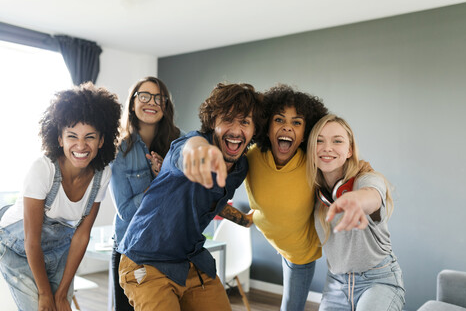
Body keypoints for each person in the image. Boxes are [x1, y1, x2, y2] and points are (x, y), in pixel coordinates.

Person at [117, 82, 264, 310]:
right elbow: (188, 150)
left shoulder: (241, 166)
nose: (236, 131)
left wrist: (245, 219)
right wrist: (198, 151)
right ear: (212, 123)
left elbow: (213, 202)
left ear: (254, 129)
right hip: (146, 259)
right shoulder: (190, 144)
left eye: (244, 122)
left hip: (191, 260)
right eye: (227, 119)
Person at [0, 82, 121, 311]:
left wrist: (63, 292)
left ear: (102, 140)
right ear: (60, 139)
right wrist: (46, 293)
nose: (81, 145)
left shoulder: (102, 173)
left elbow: (82, 236)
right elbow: (31, 241)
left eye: (90, 137)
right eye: (72, 136)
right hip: (16, 248)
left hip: (57, 251)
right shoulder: (42, 170)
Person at [306, 114, 405, 311]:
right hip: (336, 284)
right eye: (319, 141)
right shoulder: (312, 193)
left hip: (379, 280)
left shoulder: (367, 179)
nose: (327, 147)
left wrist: (356, 200)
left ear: (349, 150)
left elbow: (372, 195)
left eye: (337, 141)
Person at [243, 84, 328, 311]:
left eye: (296, 123)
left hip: (301, 254)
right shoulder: (251, 157)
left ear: (304, 135)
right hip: (275, 239)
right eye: (279, 120)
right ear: (267, 128)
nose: (287, 128)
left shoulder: (313, 164)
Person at [109, 76, 182, 311]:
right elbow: (126, 212)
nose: (152, 102)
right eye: (144, 96)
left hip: (169, 247)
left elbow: (182, 198)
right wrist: (159, 184)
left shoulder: (177, 144)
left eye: (159, 97)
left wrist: (168, 175)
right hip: (131, 250)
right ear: (132, 103)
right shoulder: (119, 150)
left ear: (166, 106)